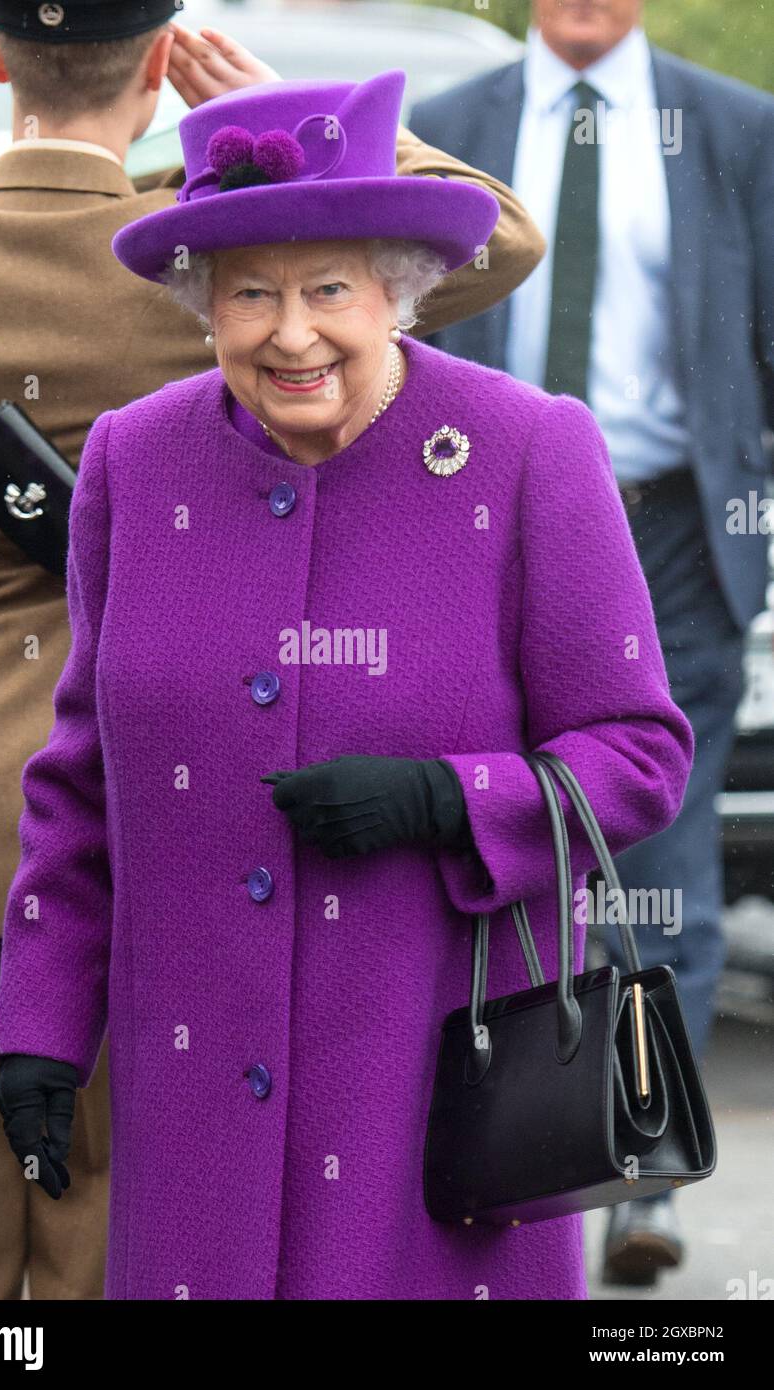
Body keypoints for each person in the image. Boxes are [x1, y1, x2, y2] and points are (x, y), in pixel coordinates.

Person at [0, 67, 693, 1301]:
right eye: (250, 293)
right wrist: (42, 1029)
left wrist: (450, 797)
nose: (291, 331)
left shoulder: (529, 451)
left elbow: (639, 750)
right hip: (195, 1107)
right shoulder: (131, 463)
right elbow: (81, 780)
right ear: (201, 304)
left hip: (434, 1100)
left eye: (328, 289)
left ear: (399, 289)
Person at [0, 1, 544, 1301]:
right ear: (159, 62)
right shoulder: (204, 265)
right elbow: (495, 242)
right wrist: (316, 128)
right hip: (169, 820)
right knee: (118, 1236)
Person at [410, 0, 774, 1285]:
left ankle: (642, 1169)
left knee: (652, 837)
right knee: (490, 828)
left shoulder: (737, 127)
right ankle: (485, 1140)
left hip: (670, 538)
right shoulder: (447, 128)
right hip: (469, 525)